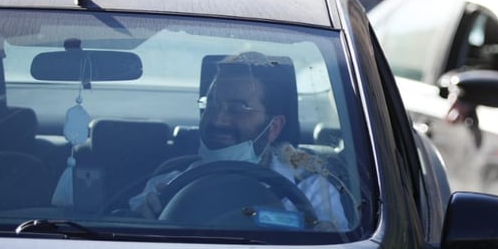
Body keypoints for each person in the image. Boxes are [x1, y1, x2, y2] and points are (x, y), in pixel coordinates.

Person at [130, 52, 350, 230]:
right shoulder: (165, 185)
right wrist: (145, 221)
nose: (218, 118)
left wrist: (324, 234)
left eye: (237, 108)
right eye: (212, 104)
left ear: (274, 127)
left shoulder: (312, 192)